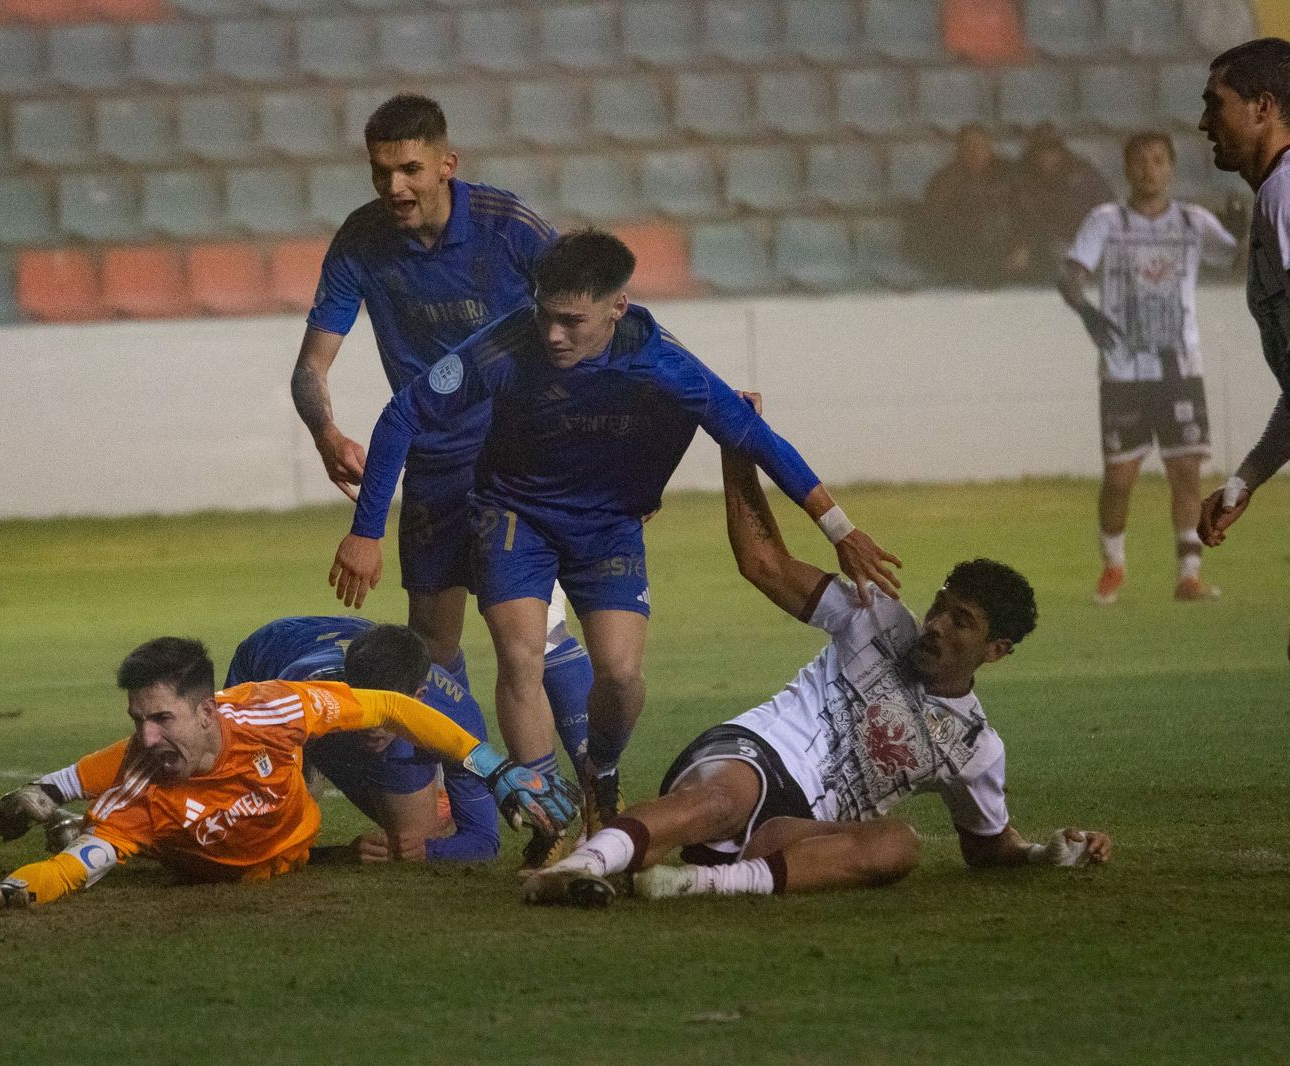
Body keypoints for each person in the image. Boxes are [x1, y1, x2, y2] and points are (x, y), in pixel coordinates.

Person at [329, 229, 901, 856]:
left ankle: (600, 772)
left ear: (616, 308)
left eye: (572, 322)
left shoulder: (660, 360)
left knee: (623, 676)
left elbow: (753, 436)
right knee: (521, 657)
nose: (552, 335)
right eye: (546, 315)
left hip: (606, 526)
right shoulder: (506, 343)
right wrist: (365, 532)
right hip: (513, 514)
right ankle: (545, 814)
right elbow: (404, 413)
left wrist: (838, 528)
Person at [523, 433, 1111, 907]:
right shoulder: (878, 617)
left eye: (962, 621)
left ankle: (692, 883)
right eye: (940, 606)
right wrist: (737, 450)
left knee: (899, 846)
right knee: (726, 800)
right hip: (752, 755)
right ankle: (585, 863)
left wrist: (1048, 851)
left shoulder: (975, 747)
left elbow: (987, 848)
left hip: (793, 833)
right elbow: (765, 563)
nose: (935, 625)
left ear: (997, 649)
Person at [290, 93, 595, 788]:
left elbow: (587, 317)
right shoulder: (361, 240)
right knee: (430, 645)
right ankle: (475, 800)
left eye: (409, 168)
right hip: (431, 463)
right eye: (380, 172)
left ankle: (597, 797)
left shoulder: (508, 228)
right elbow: (312, 367)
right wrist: (324, 429)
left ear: (446, 165)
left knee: (533, 636)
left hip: (520, 458)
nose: (393, 186)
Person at [0, 636, 578, 914]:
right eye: (137, 718)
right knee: (143, 775)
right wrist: (15, 891)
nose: (145, 733)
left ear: (207, 706)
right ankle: (54, 795)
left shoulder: (273, 708)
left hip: (295, 844)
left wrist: (494, 768)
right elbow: (78, 867)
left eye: (161, 716)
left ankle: (49, 792)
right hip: (217, 865)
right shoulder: (142, 790)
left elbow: (387, 706)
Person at [1059, 130, 1237, 605]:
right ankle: (1114, 565)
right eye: (1140, 161)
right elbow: (1070, 275)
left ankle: (1189, 574)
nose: (1149, 169)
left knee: (1186, 473)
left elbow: (1237, 260)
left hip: (1180, 367)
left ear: (1171, 168)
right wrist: (1087, 311)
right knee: (1119, 480)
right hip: (1123, 370)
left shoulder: (1193, 222)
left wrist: (1245, 236)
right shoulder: (1106, 221)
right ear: (1127, 169)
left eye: (1158, 160)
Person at [1196, 37, 1290, 677]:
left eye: (1217, 103)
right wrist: (1246, 479)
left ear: (1263, 107)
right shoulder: (1278, 199)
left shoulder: (1288, 197)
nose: (1204, 122)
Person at [222, 616, 498, 863]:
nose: (374, 728)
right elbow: (256, 848)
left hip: (332, 713)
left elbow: (483, 840)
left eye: (387, 712)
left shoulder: (458, 713)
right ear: (347, 686)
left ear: (419, 698)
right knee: (255, 816)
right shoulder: (296, 700)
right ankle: (312, 764)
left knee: (413, 838)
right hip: (270, 656)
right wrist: (334, 855)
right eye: (368, 706)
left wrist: (433, 851)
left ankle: (425, 793)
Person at [912, 123, 1021, 287]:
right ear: (959, 150)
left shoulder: (1009, 174)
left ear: (989, 147)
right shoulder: (945, 180)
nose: (975, 152)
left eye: (980, 146)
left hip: (1009, 247)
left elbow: (1027, 214)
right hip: (967, 251)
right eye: (969, 146)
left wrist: (1023, 246)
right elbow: (934, 223)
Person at [1010, 123, 1115, 281]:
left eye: (1051, 149)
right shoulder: (1020, 179)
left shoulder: (1085, 174)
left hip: (1083, 243)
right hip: (1042, 248)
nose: (1046, 156)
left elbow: (1108, 210)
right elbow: (1019, 219)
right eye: (1040, 150)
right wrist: (1024, 244)